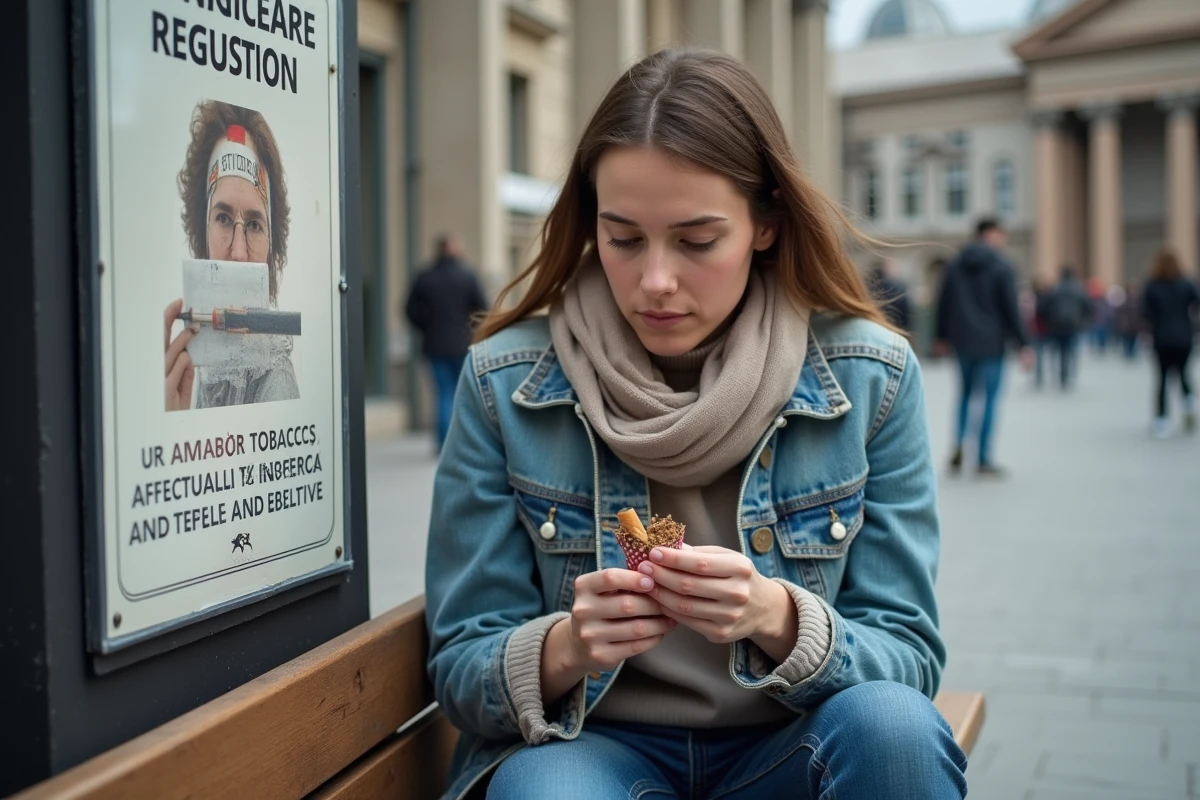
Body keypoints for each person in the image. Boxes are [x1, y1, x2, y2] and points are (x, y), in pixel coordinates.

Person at [424, 49, 966, 800]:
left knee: (896, 733)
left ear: (766, 223)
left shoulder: (871, 376)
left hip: (789, 746)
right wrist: (568, 646)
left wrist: (778, 616)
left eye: (697, 240)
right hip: (591, 749)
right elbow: (460, 667)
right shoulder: (502, 382)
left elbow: (907, 655)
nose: (655, 282)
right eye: (623, 238)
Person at [165, 100, 299, 410]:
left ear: (272, 247)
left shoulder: (275, 384)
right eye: (223, 218)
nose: (238, 252)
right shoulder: (197, 368)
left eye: (254, 224)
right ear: (202, 231)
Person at [935, 218, 1032, 476]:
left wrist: (941, 336)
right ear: (991, 234)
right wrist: (1024, 344)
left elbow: (943, 302)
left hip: (962, 341)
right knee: (989, 399)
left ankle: (958, 444)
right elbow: (1011, 308)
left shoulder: (955, 264)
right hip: (992, 343)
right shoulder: (1001, 265)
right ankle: (983, 458)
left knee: (965, 395)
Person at [405, 234, 488, 452]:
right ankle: (458, 443)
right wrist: (470, 329)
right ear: (455, 249)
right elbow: (483, 309)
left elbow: (409, 310)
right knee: (462, 394)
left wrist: (426, 327)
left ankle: (443, 443)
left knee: (443, 393)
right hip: (462, 344)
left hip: (434, 345)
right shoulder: (467, 276)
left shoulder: (425, 277)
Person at [1141, 247, 1199, 437]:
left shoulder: (1152, 285)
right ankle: (1189, 402)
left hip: (1162, 337)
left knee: (1162, 378)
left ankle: (1162, 420)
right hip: (1184, 336)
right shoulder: (1186, 283)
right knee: (1183, 373)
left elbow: (1145, 313)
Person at [1038, 265, 1090, 389]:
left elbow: (1043, 307)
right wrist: (1082, 321)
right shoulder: (1078, 290)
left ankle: (1060, 374)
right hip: (1073, 325)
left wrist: (1048, 320)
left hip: (1056, 325)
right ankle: (1068, 373)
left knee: (1058, 350)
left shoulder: (1055, 289)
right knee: (1070, 350)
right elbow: (1087, 307)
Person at [869, 260, 912, 336]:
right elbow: (906, 311)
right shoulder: (899, 287)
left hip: (880, 325)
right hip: (898, 326)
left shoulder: (874, 287)